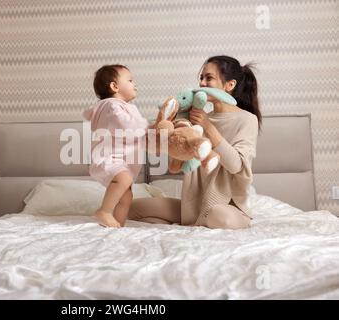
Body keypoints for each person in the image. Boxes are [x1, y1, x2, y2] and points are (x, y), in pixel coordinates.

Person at [129, 55, 262, 229]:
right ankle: (184, 223)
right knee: (131, 208)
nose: (202, 84)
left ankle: (199, 222)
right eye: (201, 78)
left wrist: (208, 127)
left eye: (209, 78)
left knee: (217, 215)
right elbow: (178, 152)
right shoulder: (195, 118)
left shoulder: (246, 119)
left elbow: (237, 166)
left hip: (229, 208)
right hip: (193, 208)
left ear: (230, 85)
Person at [83, 65, 149, 228]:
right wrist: (148, 125)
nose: (135, 84)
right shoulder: (113, 106)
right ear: (114, 86)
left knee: (126, 196)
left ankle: (117, 226)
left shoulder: (118, 107)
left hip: (119, 161)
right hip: (108, 158)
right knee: (124, 179)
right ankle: (104, 211)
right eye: (130, 80)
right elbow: (127, 126)